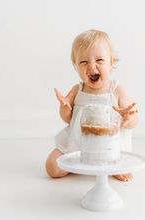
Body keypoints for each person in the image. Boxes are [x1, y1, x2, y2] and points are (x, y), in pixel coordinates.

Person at [45, 29, 138, 182]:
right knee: (52, 168)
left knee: (120, 162)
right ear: (75, 66)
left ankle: (110, 165)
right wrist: (65, 109)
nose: (91, 66)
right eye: (83, 62)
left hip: (110, 148)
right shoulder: (77, 90)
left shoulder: (117, 90)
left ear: (112, 62)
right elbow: (68, 120)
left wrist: (129, 117)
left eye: (99, 60)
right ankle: (80, 163)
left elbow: (134, 121)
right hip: (79, 144)